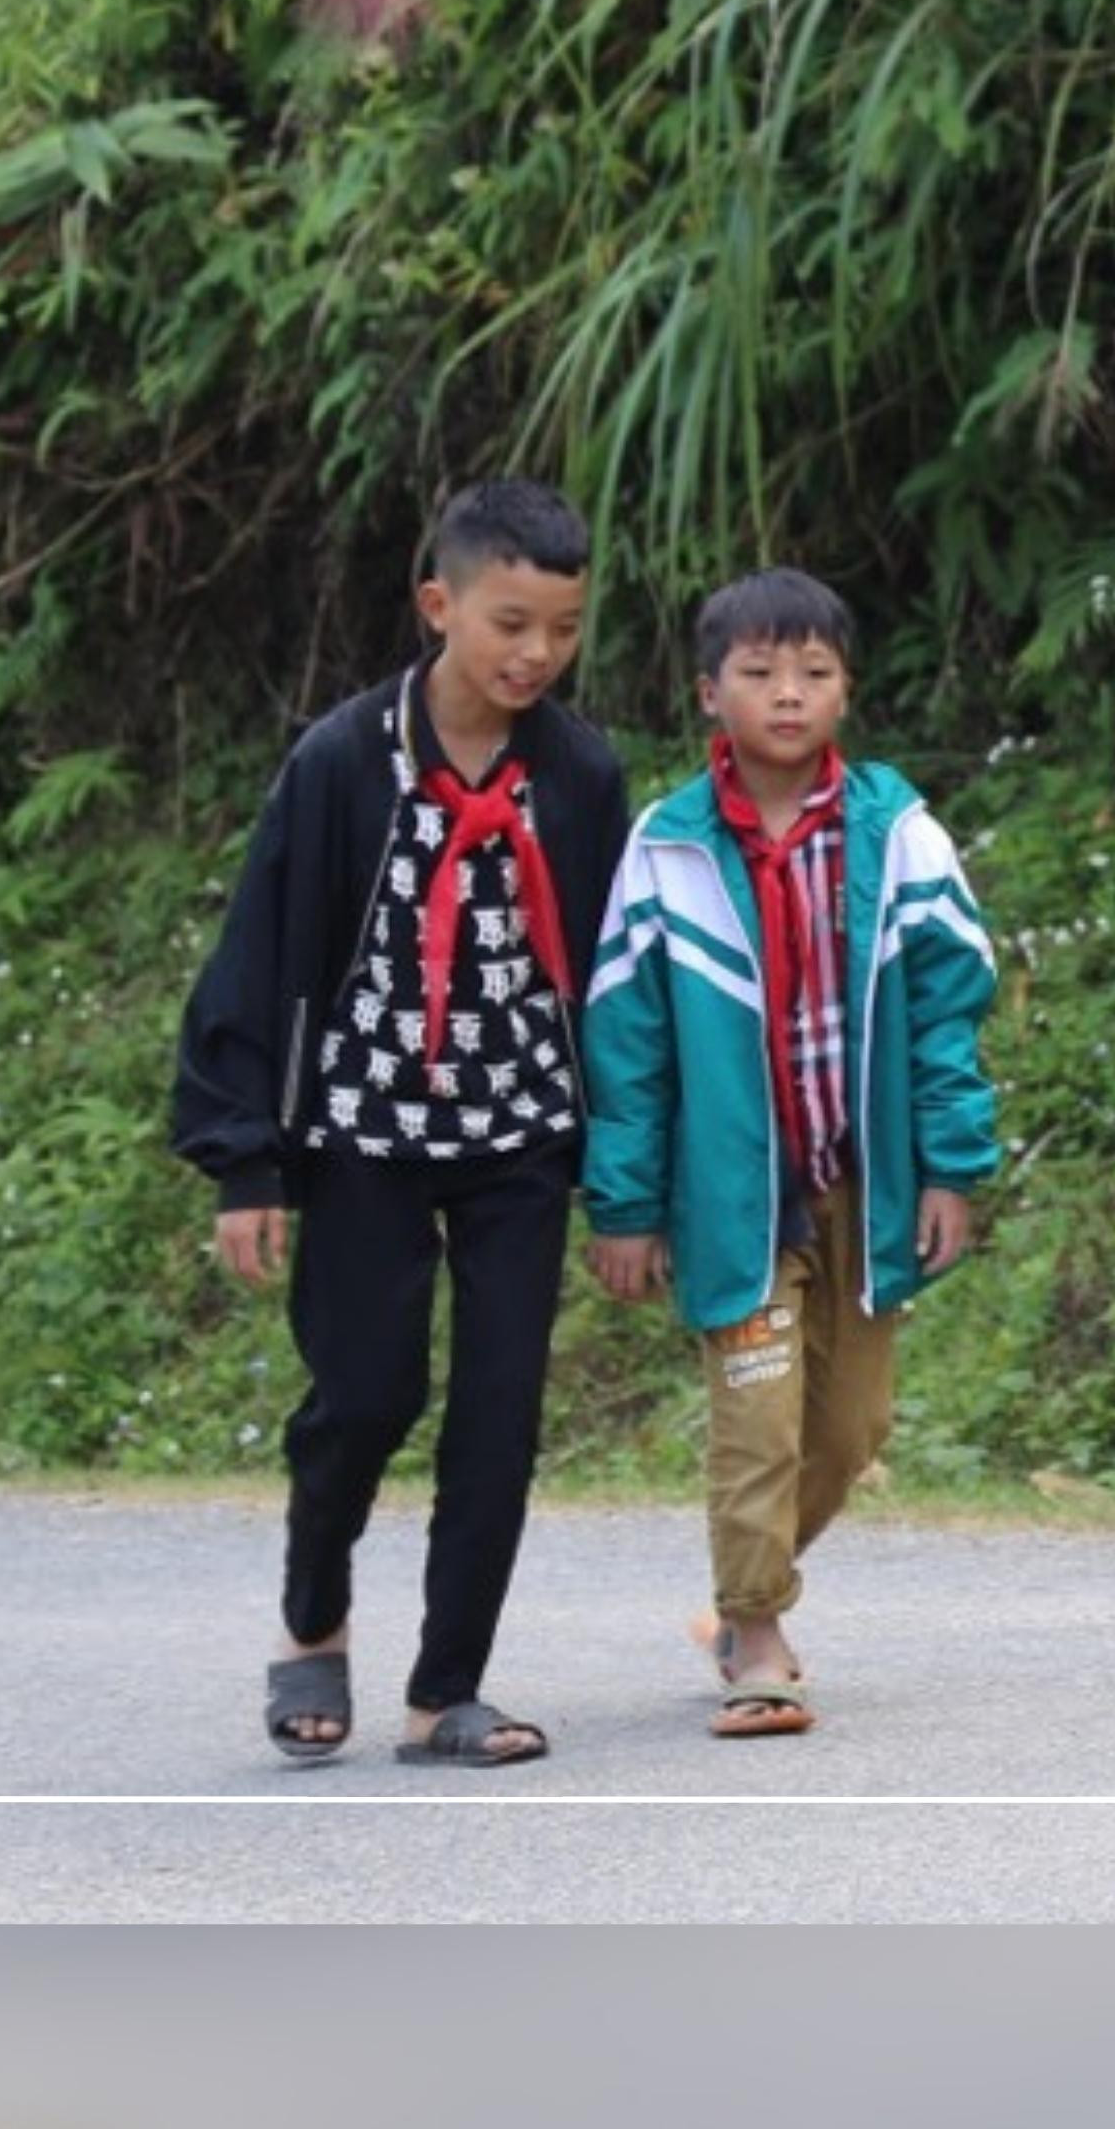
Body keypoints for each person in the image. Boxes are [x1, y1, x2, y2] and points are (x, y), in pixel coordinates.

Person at [171, 475, 633, 1769]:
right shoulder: (338, 762)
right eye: (509, 623)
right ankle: (313, 1618)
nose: (536, 653)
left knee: (502, 1410)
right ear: (439, 605)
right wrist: (245, 1162)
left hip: (522, 1139)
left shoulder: (582, 774)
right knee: (364, 1397)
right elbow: (262, 953)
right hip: (364, 1131)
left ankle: (447, 1692)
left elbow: (607, 979)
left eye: (563, 628)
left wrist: (626, 1182)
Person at [580, 566, 1001, 1739]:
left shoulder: (899, 835)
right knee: (756, 1417)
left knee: (851, 1430)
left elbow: (946, 1017)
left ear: (846, 691)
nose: (787, 694)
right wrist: (625, 1205)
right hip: (732, 1194)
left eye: (813, 673)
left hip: (862, 1187)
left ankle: (748, 1587)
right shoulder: (665, 849)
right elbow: (628, 1042)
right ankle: (755, 1634)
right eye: (759, 673)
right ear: (709, 691)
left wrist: (953, 1170)